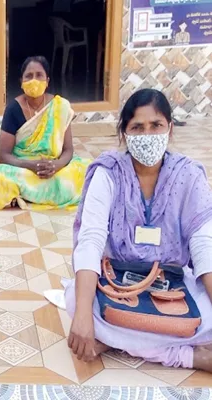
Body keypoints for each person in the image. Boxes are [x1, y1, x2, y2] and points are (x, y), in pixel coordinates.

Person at [65, 88, 212, 372]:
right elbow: (91, 241)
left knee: (207, 313)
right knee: (76, 301)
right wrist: (83, 315)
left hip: (173, 288)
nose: (147, 135)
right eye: (137, 127)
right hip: (116, 284)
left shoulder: (189, 175)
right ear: (124, 134)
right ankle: (189, 357)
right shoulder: (109, 173)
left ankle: (114, 341)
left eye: (156, 125)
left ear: (169, 129)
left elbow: (205, 248)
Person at [0, 56, 90, 210]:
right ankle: (49, 193)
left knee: (88, 169)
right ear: (21, 82)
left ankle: (27, 194)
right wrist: (30, 165)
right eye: (28, 76)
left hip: (54, 168)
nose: (34, 80)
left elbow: (68, 149)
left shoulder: (59, 107)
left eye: (39, 75)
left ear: (47, 81)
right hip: (25, 168)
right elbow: (3, 155)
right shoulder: (13, 109)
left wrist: (56, 165)